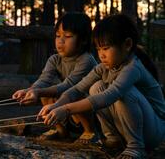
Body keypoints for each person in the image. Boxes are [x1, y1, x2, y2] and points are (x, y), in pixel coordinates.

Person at [39, 14, 165, 158]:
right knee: (95, 87)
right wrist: (56, 106)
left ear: (127, 45)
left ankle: (136, 146)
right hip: (132, 127)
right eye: (98, 49)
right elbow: (78, 88)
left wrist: (66, 109)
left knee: (123, 92)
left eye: (106, 48)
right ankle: (113, 139)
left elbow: (109, 95)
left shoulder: (133, 67)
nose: (101, 55)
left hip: (154, 131)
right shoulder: (103, 68)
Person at [12, 12, 98, 142]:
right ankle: (60, 130)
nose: (60, 41)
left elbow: (69, 85)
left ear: (84, 40)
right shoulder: (54, 59)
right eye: (58, 36)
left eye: (68, 36)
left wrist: (38, 91)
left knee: (76, 94)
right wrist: (30, 91)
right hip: (63, 111)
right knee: (46, 92)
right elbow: (44, 79)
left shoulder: (86, 60)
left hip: (88, 113)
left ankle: (89, 131)